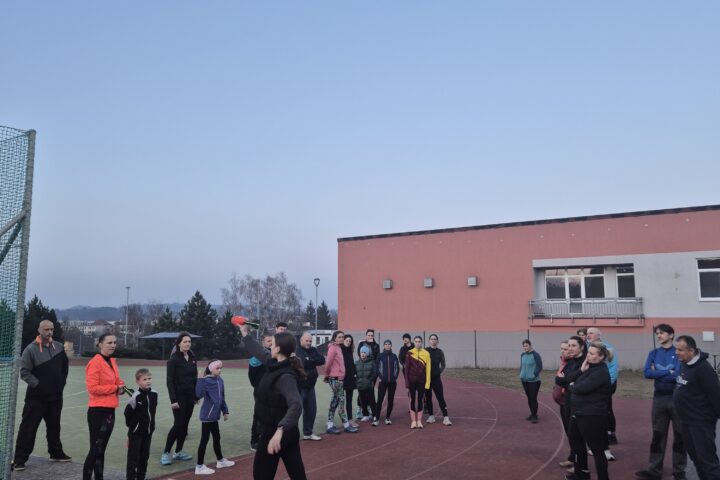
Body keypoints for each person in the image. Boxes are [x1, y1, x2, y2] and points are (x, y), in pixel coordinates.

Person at [238, 324, 308, 479]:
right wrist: (245, 333)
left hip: (275, 433)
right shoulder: (274, 363)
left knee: (261, 475)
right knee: (297, 475)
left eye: (272, 343)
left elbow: (296, 405)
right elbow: (259, 351)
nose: (269, 346)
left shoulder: (285, 377)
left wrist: (280, 430)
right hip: (286, 432)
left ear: (278, 349)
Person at [12, 319, 71, 472]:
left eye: (51, 329)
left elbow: (64, 367)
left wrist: (61, 384)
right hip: (36, 398)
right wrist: (38, 385)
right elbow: (24, 372)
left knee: (54, 427)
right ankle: (19, 460)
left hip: (56, 397)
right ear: (39, 330)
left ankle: (56, 453)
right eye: (46, 329)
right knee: (28, 429)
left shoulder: (59, 347)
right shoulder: (30, 350)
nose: (49, 332)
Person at [635, 324, 686, 480]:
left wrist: (658, 373)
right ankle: (654, 470)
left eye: (662, 333)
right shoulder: (653, 353)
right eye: (657, 333)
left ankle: (679, 472)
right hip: (659, 399)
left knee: (680, 436)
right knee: (658, 435)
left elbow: (677, 375)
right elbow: (647, 373)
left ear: (671, 335)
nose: (659, 336)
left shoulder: (678, 352)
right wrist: (667, 371)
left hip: (677, 399)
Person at [673, 335, 720, 480]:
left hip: (701, 423)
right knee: (696, 459)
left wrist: (710, 420)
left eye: (680, 350)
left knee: (708, 462)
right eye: (676, 349)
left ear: (691, 351)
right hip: (686, 421)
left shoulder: (704, 369)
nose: (676, 353)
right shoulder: (684, 364)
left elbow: (716, 396)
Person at [566, 341, 614, 480]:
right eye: (588, 353)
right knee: (576, 446)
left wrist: (573, 386)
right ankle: (581, 474)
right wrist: (581, 370)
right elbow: (569, 380)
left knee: (597, 450)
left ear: (601, 357)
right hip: (578, 413)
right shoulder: (588, 367)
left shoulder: (601, 372)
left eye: (592, 354)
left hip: (592, 416)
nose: (588, 356)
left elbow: (580, 388)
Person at [83, 333, 125, 480]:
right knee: (95, 450)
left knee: (101, 450)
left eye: (114, 342)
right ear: (100, 344)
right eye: (109, 343)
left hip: (110, 410)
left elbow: (116, 381)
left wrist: (121, 386)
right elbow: (93, 388)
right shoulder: (95, 362)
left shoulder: (112, 361)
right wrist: (115, 388)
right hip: (98, 411)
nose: (113, 345)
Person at [161, 332, 198, 465]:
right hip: (178, 397)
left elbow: (194, 377)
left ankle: (178, 451)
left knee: (185, 424)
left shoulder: (192, 357)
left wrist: (196, 395)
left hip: (190, 396)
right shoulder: (173, 360)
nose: (187, 344)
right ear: (179, 344)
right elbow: (169, 381)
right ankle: (166, 452)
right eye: (185, 341)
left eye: (189, 341)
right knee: (178, 424)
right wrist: (173, 400)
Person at [194, 360, 234, 475]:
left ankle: (220, 461)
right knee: (204, 440)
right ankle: (199, 466)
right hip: (207, 416)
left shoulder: (220, 380)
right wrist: (200, 380)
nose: (220, 370)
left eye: (221, 368)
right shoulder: (206, 380)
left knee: (217, 438)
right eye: (217, 368)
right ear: (211, 369)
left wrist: (225, 411)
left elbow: (222, 397)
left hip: (215, 416)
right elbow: (198, 395)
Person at [556, 336, 587, 471]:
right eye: (569, 346)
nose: (570, 349)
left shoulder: (585, 362)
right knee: (570, 434)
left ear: (582, 347)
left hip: (579, 404)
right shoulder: (571, 361)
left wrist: (568, 379)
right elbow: (559, 379)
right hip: (566, 401)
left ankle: (580, 467)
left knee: (578, 437)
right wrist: (567, 380)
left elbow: (573, 381)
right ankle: (573, 459)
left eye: (573, 346)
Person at [587, 327, 619, 450]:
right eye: (587, 333)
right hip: (593, 382)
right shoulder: (588, 347)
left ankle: (611, 433)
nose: (588, 335)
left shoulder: (607, 347)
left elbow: (613, 367)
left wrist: (607, 383)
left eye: (591, 333)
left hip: (606, 383)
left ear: (598, 335)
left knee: (607, 408)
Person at [125, 368, 158, 480]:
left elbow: (152, 412)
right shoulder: (135, 396)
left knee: (144, 457)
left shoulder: (154, 394)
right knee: (133, 458)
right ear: (137, 382)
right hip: (136, 433)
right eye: (144, 379)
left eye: (149, 378)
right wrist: (132, 428)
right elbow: (127, 413)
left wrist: (151, 426)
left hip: (148, 432)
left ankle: (141, 477)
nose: (148, 381)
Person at [324, 331, 358, 434]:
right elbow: (328, 363)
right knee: (341, 401)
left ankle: (330, 425)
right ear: (334, 338)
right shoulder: (333, 348)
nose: (341, 339)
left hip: (339, 378)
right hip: (335, 378)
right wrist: (327, 375)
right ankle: (346, 425)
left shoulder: (339, 348)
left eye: (342, 337)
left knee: (334, 401)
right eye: (339, 337)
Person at [297, 332, 326, 441]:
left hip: (311, 386)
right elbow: (303, 363)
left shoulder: (313, 349)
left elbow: (322, 360)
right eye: (307, 341)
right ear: (301, 340)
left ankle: (308, 433)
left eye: (310, 341)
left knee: (311, 410)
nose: (309, 343)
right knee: (296, 411)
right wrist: (313, 360)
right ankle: (290, 435)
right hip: (300, 386)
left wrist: (310, 359)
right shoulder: (297, 350)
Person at [249, 334, 273, 452]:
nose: (271, 343)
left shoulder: (275, 355)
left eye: (272, 341)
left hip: (273, 392)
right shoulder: (256, 358)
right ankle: (255, 441)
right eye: (268, 341)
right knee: (259, 415)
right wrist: (259, 387)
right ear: (262, 342)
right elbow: (252, 377)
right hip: (260, 391)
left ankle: (268, 438)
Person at [425, 333, 452, 426]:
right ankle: (431, 416)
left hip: (436, 379)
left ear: (437, 341)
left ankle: (446, 417)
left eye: (435, 339)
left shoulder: (440, 352)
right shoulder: (425, 351)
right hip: (427, 379)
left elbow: (443, 365)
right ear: (429, 341)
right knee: (428, 398)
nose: (433, 340)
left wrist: (438, 372)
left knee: (440, 397)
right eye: (432, 339)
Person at [404, 335, 431, 429]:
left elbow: (428, 369)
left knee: (420, 400)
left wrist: (427, 383)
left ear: (422, 342)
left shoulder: (426, 353)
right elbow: (406, 370)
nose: (418, 343)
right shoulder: (409, 353)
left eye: (419, 341)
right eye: (416, 341)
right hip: (411, 382)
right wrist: (407, 384)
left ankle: (419, 421)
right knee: (412, 400)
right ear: (414, 342)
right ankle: (413, 421)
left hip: (421, 381)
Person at [356, 329, 380, 419]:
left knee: (370, 391)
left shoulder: (376, 345)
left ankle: (371, 410)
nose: (370, 337)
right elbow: (359, 353)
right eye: (369, 335)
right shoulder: (362, 344)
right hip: (362, 369)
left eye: (371, 335)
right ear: (366, 336)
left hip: (371, 369)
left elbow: (376, 356)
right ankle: (360, 409)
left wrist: (371, 344)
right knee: (361, 390)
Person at [376, 339, 399, 425]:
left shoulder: (394, 356)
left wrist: (395, 377)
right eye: (386, 344)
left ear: (391, 346)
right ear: (384, 346)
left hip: (392, 383)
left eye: (389, 344)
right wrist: (381, 377)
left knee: (390, 400)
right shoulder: (380, 356)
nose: (387, 345)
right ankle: (377, 418)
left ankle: (388, 418)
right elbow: (377, 367)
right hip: (382, 382)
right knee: (380, 400)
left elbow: (397, 368)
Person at [519, 339, 543, 424]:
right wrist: (521, 374)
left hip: (534, 381)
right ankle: (532, 413)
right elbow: (522, 366)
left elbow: (539, 366)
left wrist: (533, 375)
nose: (525, 347)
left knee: (533, 398)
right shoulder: (522, 355)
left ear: (530, 345)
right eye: (524, 346)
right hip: (524, 380)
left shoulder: (536, 355)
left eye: (526, 346)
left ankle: (534, 416)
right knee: (529, 398)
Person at [355, 346, 378, 423]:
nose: (363, 354)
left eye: (364, 352)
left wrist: (369, 380)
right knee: (362, 401)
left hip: (369, 385)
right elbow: (355, 373)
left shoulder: (372, 362)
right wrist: (357, 381)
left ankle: (375, 415)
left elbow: (375, 373)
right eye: (361, 352)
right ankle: (365, 415)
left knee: (372, 401)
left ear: (367, 354)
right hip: (360, 385)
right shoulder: (357, 363)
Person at [340, 334, 359, 428]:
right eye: (347, 340)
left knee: (349, 400)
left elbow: (351, 364)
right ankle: (331, 421)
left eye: (350, 341)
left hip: (350, 379)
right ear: (343, 341)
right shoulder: (339, 351)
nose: (348, 342)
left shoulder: (350, 352)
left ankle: (350, 419)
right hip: (341, 379)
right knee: (339, 401)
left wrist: (355, 373)